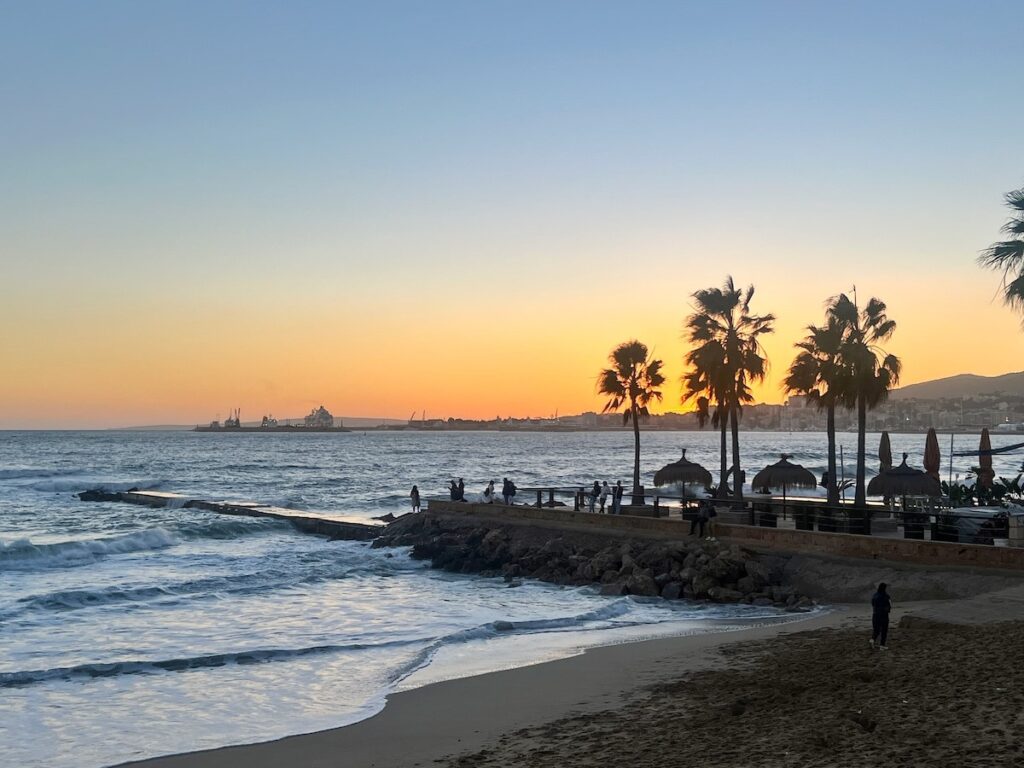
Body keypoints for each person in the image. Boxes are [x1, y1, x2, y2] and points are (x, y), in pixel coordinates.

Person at [870, 582, 892, 650]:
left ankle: (872, 640)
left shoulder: (874, 595)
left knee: (876, 630)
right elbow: (889, 605)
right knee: (884, 630)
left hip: (875, 614)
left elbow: (873, 604)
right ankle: (882, 645)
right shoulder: (886, 596)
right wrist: (887, 610)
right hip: (883, 615)